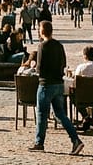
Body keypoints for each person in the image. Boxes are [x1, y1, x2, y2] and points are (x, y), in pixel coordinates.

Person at [28, 20, 84, 155]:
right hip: (58, 84)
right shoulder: (59, 45)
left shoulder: (42, 46)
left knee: (41, 114)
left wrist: (34, 68)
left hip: (46, 84)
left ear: (42, 31)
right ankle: (75, 139)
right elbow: (63, 63)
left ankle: (39, 142)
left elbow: (40, 67)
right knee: (60, 114)